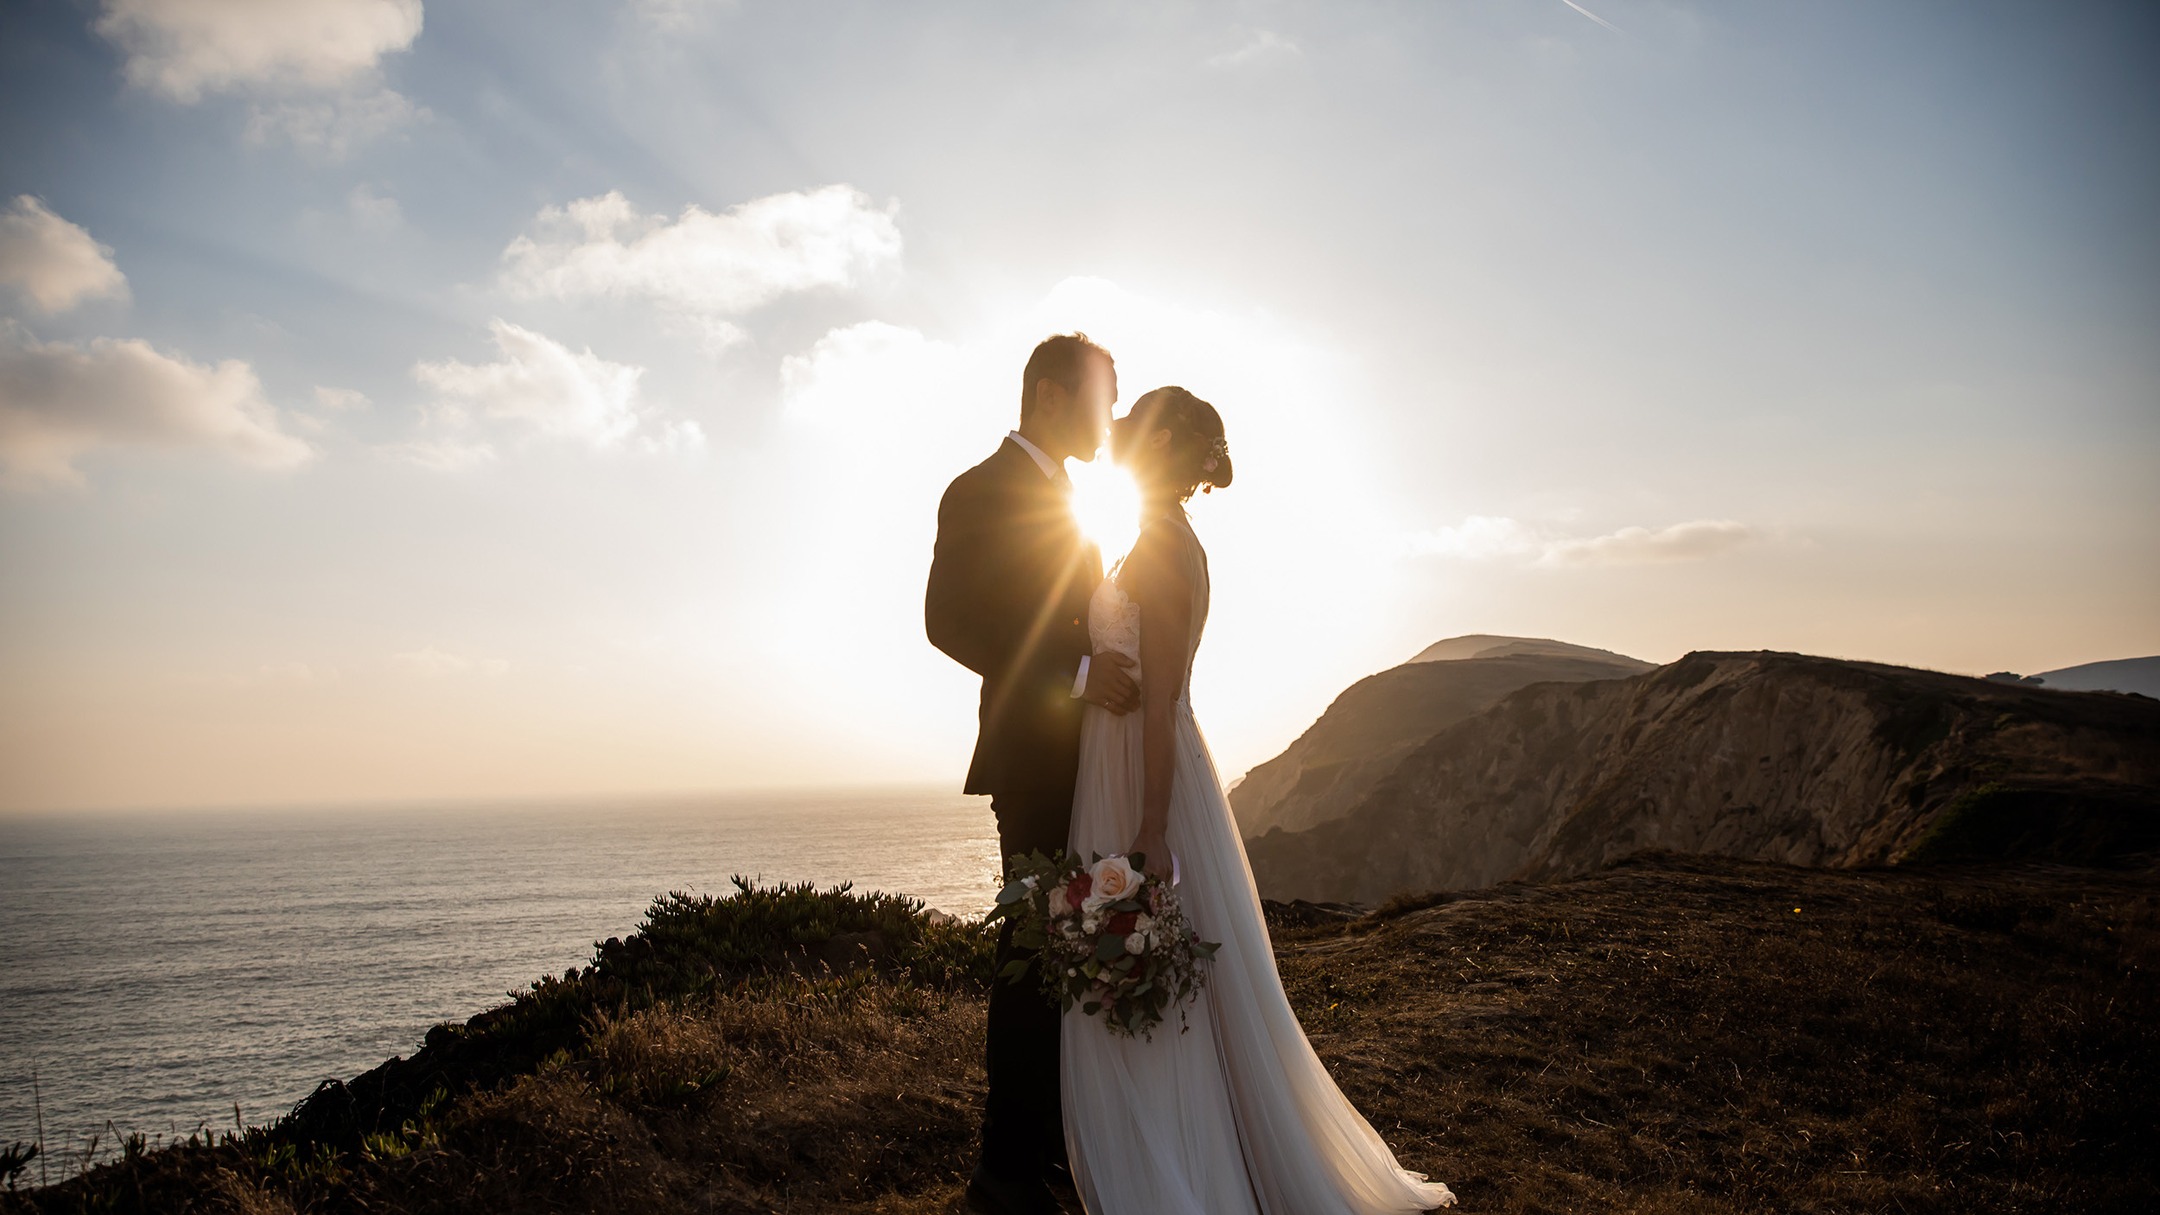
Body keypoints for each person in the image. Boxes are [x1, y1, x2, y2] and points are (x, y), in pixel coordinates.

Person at [1059, 386, 1458, 1214]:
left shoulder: (1166, 548)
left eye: (1132, 425)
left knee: (1166, 967)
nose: (1119, 433)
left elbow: (1163, 698)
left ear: (1160, 444)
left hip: (1143, 773)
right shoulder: (1154, 538)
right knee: (1174, 975)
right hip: (1125, 766)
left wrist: (1150, 825)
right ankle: (1180, 1142)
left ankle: (1183, 1163)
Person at [926, 332, 1142, 1215]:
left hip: (1083, 757)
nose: (1111, 416)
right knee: (1027, 958)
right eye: (1102, 397)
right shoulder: (978, 490)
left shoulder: (1072, 499)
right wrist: (1079, 679)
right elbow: (948, 622)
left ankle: (1045, 1148)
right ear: (1050, 394)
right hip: (1029, 758)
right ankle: (1001, 1172)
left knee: (1066, 950)